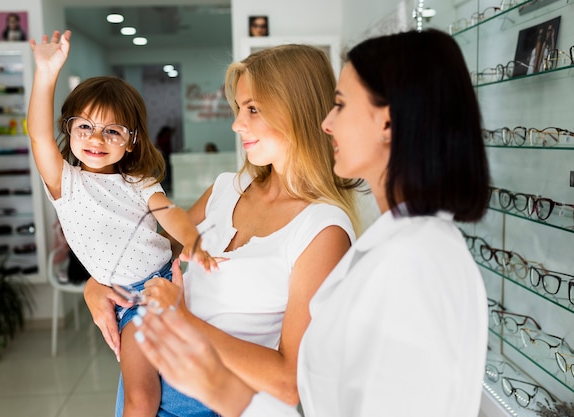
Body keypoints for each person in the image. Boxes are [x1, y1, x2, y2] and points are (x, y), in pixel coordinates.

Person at [134, 29, 491, 417]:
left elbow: (300, 384)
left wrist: (217, 383)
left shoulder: (412, 262)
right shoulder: (398, 249)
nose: (326, 123)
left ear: (387, 124)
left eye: (340, 104)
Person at [83, 43, 363, 417]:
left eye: (252, 109)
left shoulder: (322, 229)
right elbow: (145, 255)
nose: (236, 123)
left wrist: (184, 319)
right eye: (239, 108)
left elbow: (288, 381)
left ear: (295, 110)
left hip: (212, 402)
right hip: (147, 382)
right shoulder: (224, 189)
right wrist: (95, 284)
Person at [27, 30, 216, 417]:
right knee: (142, 399)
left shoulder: (139, 181)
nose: (96, 138)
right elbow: (37, 137)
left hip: (166, 278)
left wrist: (192, 244)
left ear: (130, 141)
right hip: (131, 299)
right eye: (85, 126)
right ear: (69, 129)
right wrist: (45, 73)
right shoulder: (66, 183)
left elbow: (170, 213)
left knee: (184, 388)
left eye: (111, 130)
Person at [154, 126, 174, 193]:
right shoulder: (165, 138)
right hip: (165, 155)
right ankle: (166, 187)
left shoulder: (160, 137)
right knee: (167, 172)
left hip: (164, 155)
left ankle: (166, 187)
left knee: (165, 172)